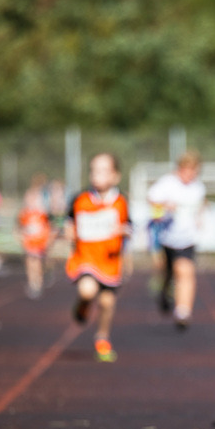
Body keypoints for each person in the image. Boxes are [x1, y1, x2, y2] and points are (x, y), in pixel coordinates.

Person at [65, 153, 131, 362]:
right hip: (86, 259)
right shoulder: (80, 199)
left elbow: (129, 226)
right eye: (94, 170)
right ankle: (82, 305)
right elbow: (68, 221)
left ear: (115, 176)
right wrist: (68, 231)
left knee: (107, 302)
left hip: (110, 262)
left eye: (103, 171)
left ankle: (102, 338)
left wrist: (124, 231)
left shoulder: (120, 201)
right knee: (87, 289)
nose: (97, 175)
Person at [148, 150, 206, 330]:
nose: (190, 174)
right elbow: (152, 199)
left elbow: (199, 207)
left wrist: (199, 218)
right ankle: (165, 293)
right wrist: (165, 205)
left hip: (187, 239)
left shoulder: (198, 188)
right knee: (167, 273)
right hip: (166, 239)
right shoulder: (167, 183)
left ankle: (183, 312)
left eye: (193, 171)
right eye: (187, 170)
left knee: (185, 271)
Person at [18, 180, 52, 299]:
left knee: (37, 264)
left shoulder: (41, 213)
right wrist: (21, 236)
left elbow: (47, 227)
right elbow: (21, 227)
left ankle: (38, 282)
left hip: (39, 243)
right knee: (29, 263)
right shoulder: (24, 214)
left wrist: (47, 240)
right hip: (29, 243)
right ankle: (32, 283)